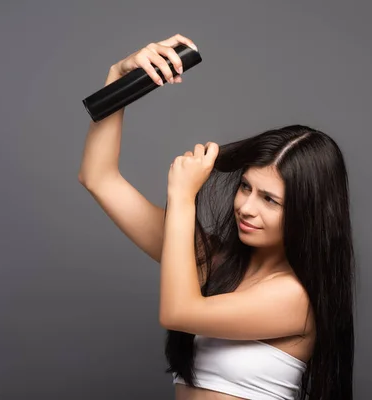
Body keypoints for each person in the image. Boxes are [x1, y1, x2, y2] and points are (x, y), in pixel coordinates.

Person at [78, 34, 355, 400]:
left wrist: (182, 196)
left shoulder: (294, 298)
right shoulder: (219, 264)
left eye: (270, 200)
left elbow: (179, 312)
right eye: (245, 187)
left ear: (309, 215)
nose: (246, 207)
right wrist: (119, 79)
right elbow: (99, 178)